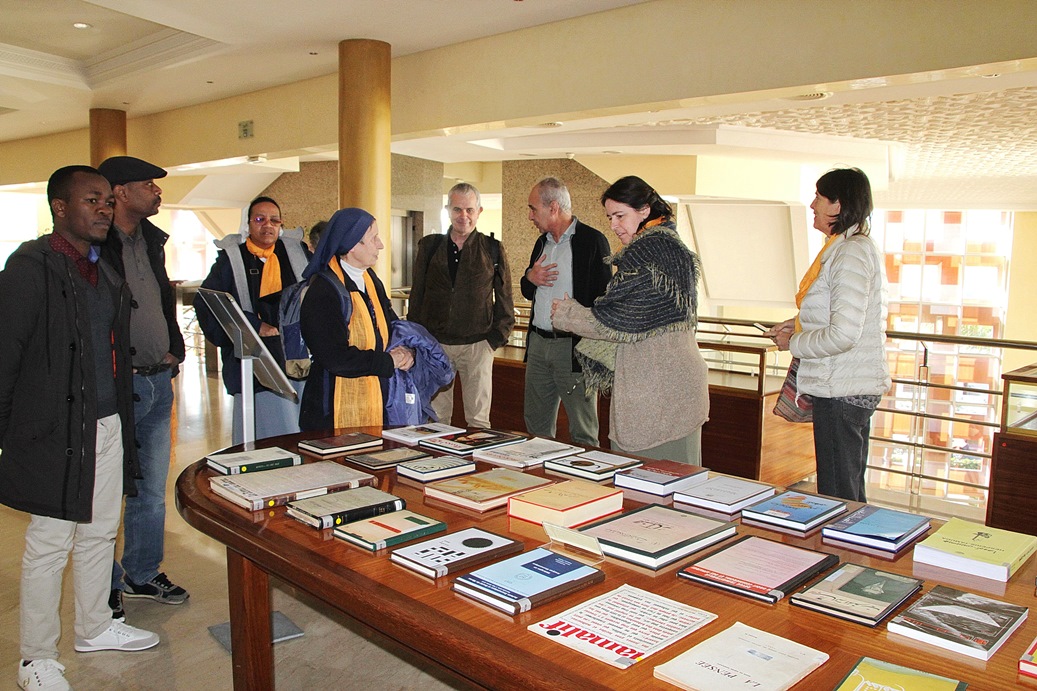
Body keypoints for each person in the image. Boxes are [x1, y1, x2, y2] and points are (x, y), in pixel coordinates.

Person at [0, 166, 159, 691]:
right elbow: (5, 356)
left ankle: (94, 626)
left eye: (107, 202)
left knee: (99, 532)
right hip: (54, 428)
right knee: (51, 541)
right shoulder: (29, 268)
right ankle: (36, 658)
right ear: (60, 208)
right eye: (91, 201)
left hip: (108, 419)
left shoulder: (102, 269)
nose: (104, 210)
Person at [551, 175, 708, 464]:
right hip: (665, 382)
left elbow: (619, 320)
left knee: (657, 486)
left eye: (620, 215)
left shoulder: (653, 251)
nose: (613, 225)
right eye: (610, 217)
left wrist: (567, 314)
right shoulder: (665, 246)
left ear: (645, 210)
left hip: (661, 388)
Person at [96, 155, 188, 621]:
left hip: (158, 379)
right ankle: (104, 585)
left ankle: (141, 572)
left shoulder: (151, 242)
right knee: (108, 490)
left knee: (151, 488)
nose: (157, 191)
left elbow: (160, 300)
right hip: (118, 386)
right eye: (148, 185)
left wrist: (175, 350)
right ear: (120, 193)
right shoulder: (95, 243)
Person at [765, 167, 890, 502]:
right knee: (845, 486)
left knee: (838, 494)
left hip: (841, 389)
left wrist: (793, 342)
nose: (812, 205)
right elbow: (840, 315)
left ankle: (842, 551)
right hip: (844, 385)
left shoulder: (850, 251)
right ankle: (849, 550)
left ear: (838, 204)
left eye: (818, 197)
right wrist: (799, 324)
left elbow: (844, 333)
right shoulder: (847, 247)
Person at [194, 196, 311, 443]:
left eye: (274, 220)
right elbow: (209, 302)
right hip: (255, 363)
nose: (267, 225)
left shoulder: (295, 254)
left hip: (295, 358)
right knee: (260, 435)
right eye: (260, 219)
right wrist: (255, 326)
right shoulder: (232, 258)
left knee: (298, 433)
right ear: (248, 224)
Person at [408, 183, 514, 428]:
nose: (463, 216)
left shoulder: (492, 249)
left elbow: (505, 297)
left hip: (478, 346)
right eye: (457, 209)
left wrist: (495, 338)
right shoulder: (430, 246)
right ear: (448, 210)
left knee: (478, 421)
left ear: (479, 211)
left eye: (469, 210)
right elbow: (418, 295)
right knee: (435, 418)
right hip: (436, 345)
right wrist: (416, 339)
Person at [298, 207, 414, 430]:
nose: (380, 244)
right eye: (374, 238)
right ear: (351, 245)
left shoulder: (370, 280)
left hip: (377, 399)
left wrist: (409, 352)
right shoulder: (324, 290)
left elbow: (391, 327)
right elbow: (335, 357)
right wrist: (388, 361)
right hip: (331, 409)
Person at [520, 177, 611, 446]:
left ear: (554, 208)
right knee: (535, 425)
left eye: (533, 208)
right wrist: (529, 278)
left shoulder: (593, 241)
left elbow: (605, 299)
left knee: (582, 430)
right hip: (538, 345)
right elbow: (529, 290)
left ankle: (585, 486)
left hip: (573, 349)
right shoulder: (542, 243)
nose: (530, 216)